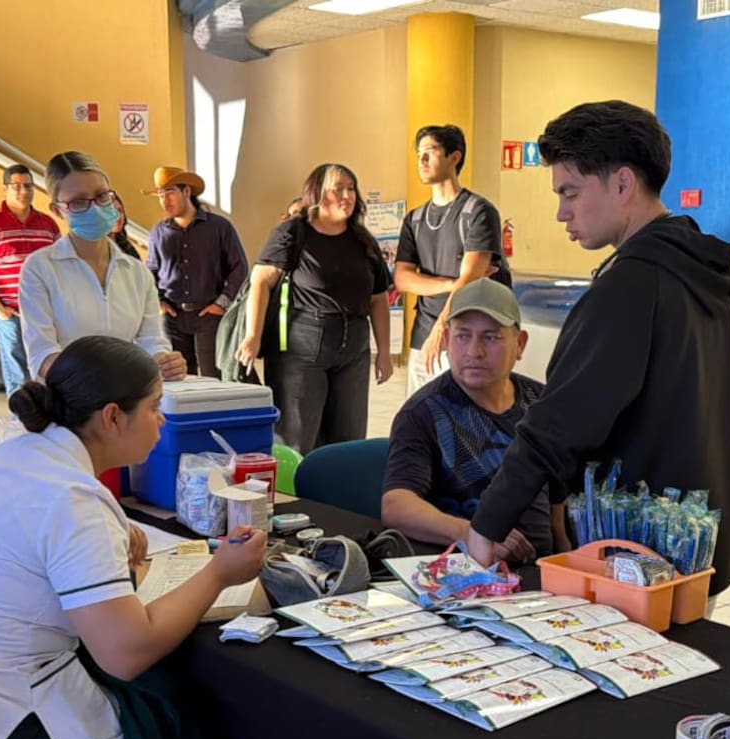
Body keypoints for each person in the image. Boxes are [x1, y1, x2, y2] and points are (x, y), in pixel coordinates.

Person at [0, 336, 266, 739]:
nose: (161, 421)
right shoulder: (73, 499)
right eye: (153, 408)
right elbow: (126, 654)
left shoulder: (15, 454)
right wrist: (219, 573)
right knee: (186, 708)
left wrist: (111, 528)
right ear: (111, 417)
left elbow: (30, 530)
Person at [458, 100, 730, 597]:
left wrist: (484, 532)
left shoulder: (632, 284)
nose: (560, 212)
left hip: (640, 559)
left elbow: (557, 425)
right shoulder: (710, 272)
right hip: (702, 544)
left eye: (570, 192)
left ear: (622, 184)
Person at [381, 279, 569, 559]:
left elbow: (558, 497)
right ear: (446, 340)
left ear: (520, 344)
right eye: (462, 336)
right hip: (469, 574)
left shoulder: (541, 403)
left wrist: (567, 556)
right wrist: (473, 534)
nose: (474, 352)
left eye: (490, 337)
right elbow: (396, 505)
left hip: (545, 574)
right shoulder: (423, 413)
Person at [237, 163, 393, 454]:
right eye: (338, 189)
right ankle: (295, 496)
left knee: (349, 439)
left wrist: (383, 351)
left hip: (354, 348)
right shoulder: (293, 234)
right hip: (302, 348)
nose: (347, 195)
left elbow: (378, 298)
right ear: (317, 193)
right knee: (297, 437)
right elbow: (260, 281)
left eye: (351, 189)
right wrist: (252, 335)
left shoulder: (363, 241)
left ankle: (338, 497)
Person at [20, 151, 187, 382]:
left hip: (129, 401)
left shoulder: (137, 273)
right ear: (58, 210)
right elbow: (42, 353)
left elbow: (151, 340)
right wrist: (98, 383)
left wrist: (164, 362)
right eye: (78, 202)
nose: (95, 208)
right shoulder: (40, 268)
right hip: (71, 404)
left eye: (101, 196)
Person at [393, 124, 511, 396]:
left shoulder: (478, 212)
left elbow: (470, 279)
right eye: (418, 154)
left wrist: (442, 327)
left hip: (467, 337)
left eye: (430, 152)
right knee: (420, 422)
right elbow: (402, 278)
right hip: (424, 335)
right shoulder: (415, 218)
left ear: (454, 157)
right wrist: (451, 283)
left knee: (463, 424)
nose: (421, 161)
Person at [145, 166, 249, 377]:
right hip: (172, 317)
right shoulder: (158, 232)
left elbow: (239, 267)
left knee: (213, 377)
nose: (165, 200)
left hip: (208, 315)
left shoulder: (219, 227)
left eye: (170, 192)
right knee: (178, 379)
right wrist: (159, 302)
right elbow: (150, 272)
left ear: (186, 192)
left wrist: (222, 303)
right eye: (160, 195)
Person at [0, 164, 62, 398]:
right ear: (5, 189)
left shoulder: (47, 224)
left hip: (43, 313)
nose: (24, 191)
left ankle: (48, 421)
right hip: (9, 313)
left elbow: (59, 266)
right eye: (17, 186)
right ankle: (21, 422)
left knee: (48, 368)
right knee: (17, 375)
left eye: (28, 186)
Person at [109, 191, 142, 260]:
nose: (118, 216)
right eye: (112, 212)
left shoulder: (127, 247)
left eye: (120, 211)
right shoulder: (98, 249)